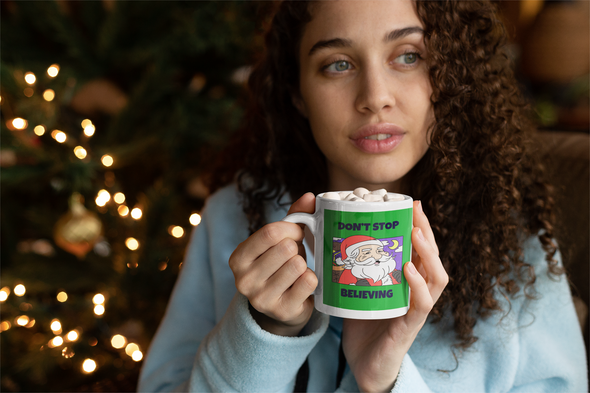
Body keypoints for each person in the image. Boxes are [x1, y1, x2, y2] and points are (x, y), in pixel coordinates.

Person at [138, 1, 587, 392]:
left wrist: (385, 381)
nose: (375, 97)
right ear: (297, 93)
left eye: (409, 56)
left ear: (452, 77)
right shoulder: (233, 219)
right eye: (338, 63)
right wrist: (263, 334)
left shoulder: (512, 241)